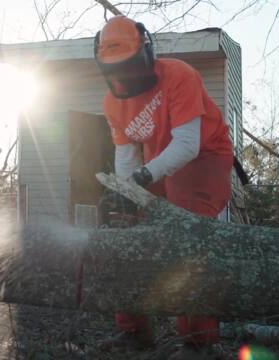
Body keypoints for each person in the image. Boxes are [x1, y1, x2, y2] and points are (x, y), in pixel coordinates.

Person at [94, 15, 234, 359]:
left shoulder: (179, 75)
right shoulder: (113, 104)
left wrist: (142, 178)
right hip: (157, 165)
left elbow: (187, 144)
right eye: (114, 68)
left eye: (127, 65)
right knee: (127, 230)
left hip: (203, 156)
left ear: (145, 52)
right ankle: (134, 330)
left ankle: (199, 341)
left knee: (184, 233)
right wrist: (123, 193)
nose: (122, 76)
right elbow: (126, 156)